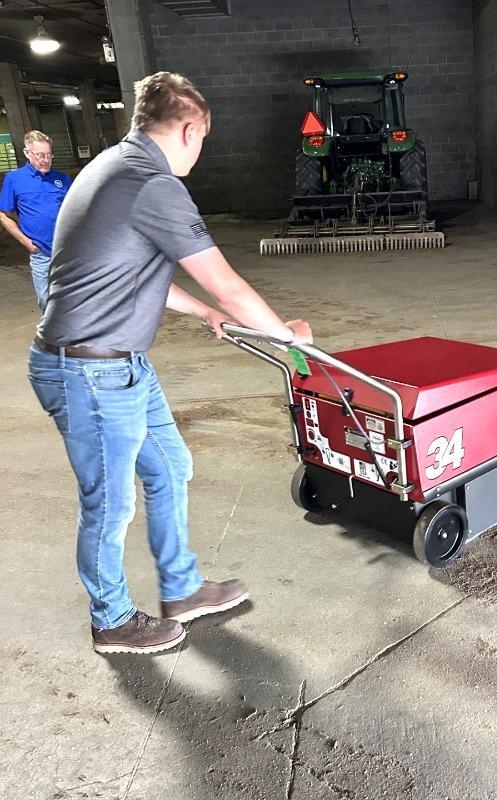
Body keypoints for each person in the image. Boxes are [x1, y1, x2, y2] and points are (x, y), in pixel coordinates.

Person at [28, 72, 313, 655]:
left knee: (170, 468)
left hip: (115, 362)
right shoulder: (152, 183)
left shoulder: (111, 167)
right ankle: (111, 620)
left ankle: (181, 588)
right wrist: (288, 338)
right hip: (90, 370)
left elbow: (130, 273)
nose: (199, 152)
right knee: (110, 503)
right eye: (203, 140)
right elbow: (228, 283)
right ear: (189, 129)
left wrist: (204, 313)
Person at [0, 130, 72, 311]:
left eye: (49, 155)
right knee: (46, 299)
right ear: (27, 153)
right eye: (40, 155)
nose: (46, 159)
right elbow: (5, 215)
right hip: (41, 253)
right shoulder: (14, 180)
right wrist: (25, 240)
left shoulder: (62, 180)